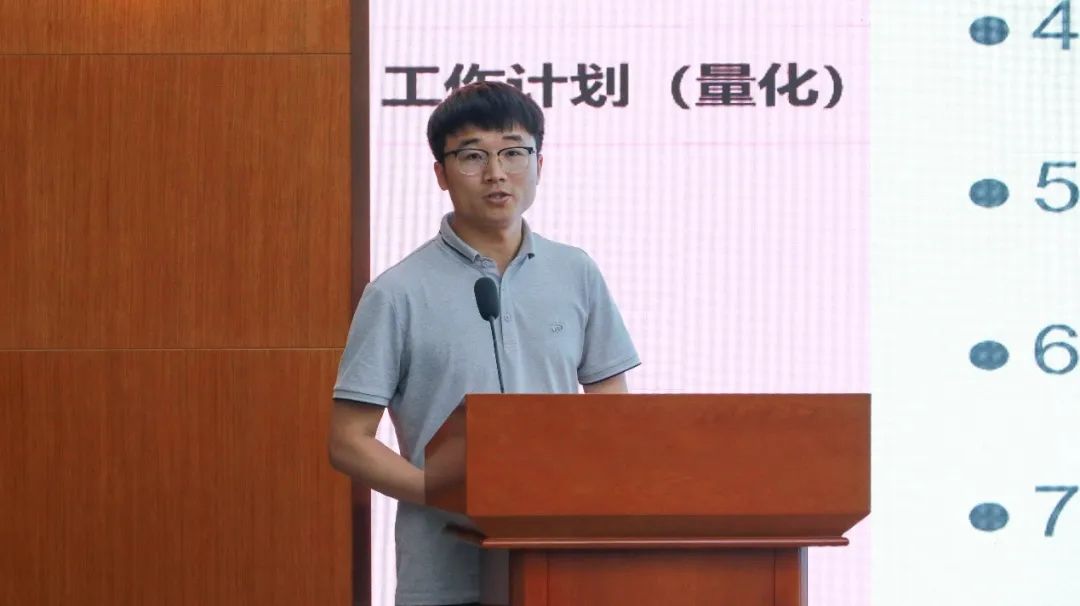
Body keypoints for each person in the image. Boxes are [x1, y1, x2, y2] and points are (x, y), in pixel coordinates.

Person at [328, 81, 640, 606]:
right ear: (441, 173)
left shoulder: (576, 272)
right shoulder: (397, 292)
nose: (497, 173)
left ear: (540, 163)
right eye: (473, 156)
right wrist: (438, 491)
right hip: (445, 574)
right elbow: (348, 440)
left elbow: (611, 404)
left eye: (514, 152)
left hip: (556, 562)